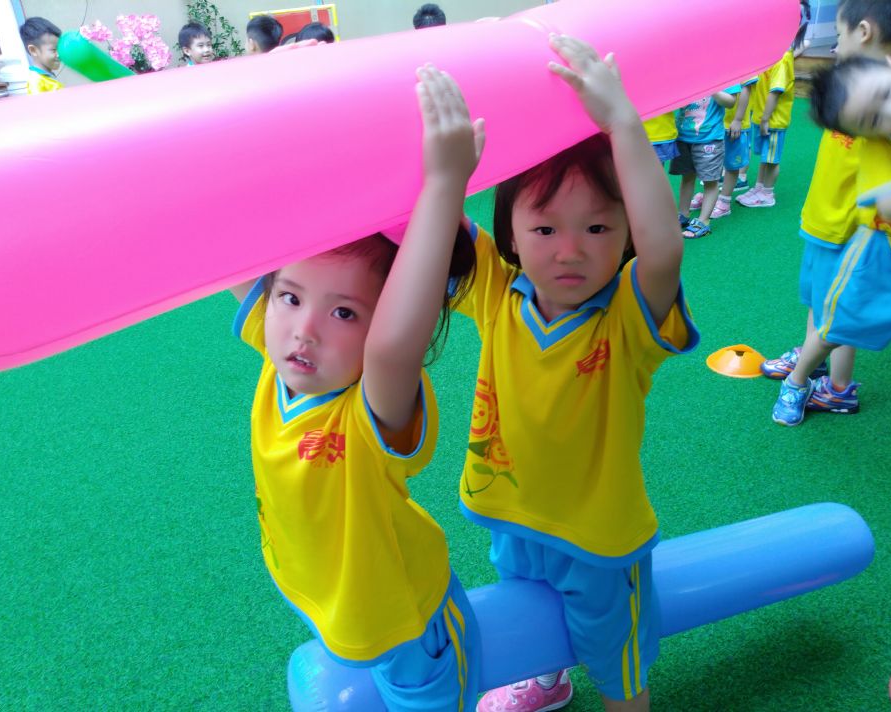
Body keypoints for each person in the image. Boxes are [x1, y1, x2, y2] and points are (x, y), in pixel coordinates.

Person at [230, 64, 485, 710]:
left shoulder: (371, 405)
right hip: (334, 596)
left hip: (410, 622)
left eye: (344, 312)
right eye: (290, 297)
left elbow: (396, 344)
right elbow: (223, 242)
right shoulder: (280, 353)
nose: (304, 330)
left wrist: (444, 184)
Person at [462, 34, 698, 712]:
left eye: (597, 229)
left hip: (600, 540)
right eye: (545, 231)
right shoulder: (495, 289)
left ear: (626, 234)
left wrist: (623, 123)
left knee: (616, 656)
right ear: (511, 236)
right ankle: (546, 677)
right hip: (512, 517)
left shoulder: (627, 315)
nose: (570, 251)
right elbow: (427, 220)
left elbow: (664, 251)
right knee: (532, 619)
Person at [761, 0, 891, 421]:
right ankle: (820, 368)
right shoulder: (858, 89)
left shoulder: (878, 96)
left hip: (847, 228)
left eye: (840, 35)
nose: (834, 47)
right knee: (823, 304)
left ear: (863, 32)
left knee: (835, 314)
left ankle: (834, 384)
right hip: (825, 220)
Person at [688, 78, 758, 220]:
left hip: (732, 125)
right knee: (712, 161)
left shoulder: (742, 67)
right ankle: (709, 195)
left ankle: (724, 200)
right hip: (713, 124)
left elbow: (746, 89)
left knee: (732, 164)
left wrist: (738, 119)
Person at [735, 47, 795, 208]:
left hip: (773, 120)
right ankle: (759, 187)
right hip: (761, 116)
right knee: (765, 156)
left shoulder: (781, 58)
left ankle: (767, 194)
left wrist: (765, 119)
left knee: (772, 159)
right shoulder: (768, 55)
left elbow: (776, 91)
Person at [671, 91, 735, 238]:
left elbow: (731, 102)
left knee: (710, 181)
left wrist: (712, 88)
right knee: (687, 176)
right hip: (684, 136)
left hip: (709, 139)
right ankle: (683, 214)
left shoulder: (720, 78)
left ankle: (703, 221)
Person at [20, 17, 62, 94]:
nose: (59, 55)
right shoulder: (36, 82)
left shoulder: (46, 77)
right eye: (53, 50)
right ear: (33, 50)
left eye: (60, 49)